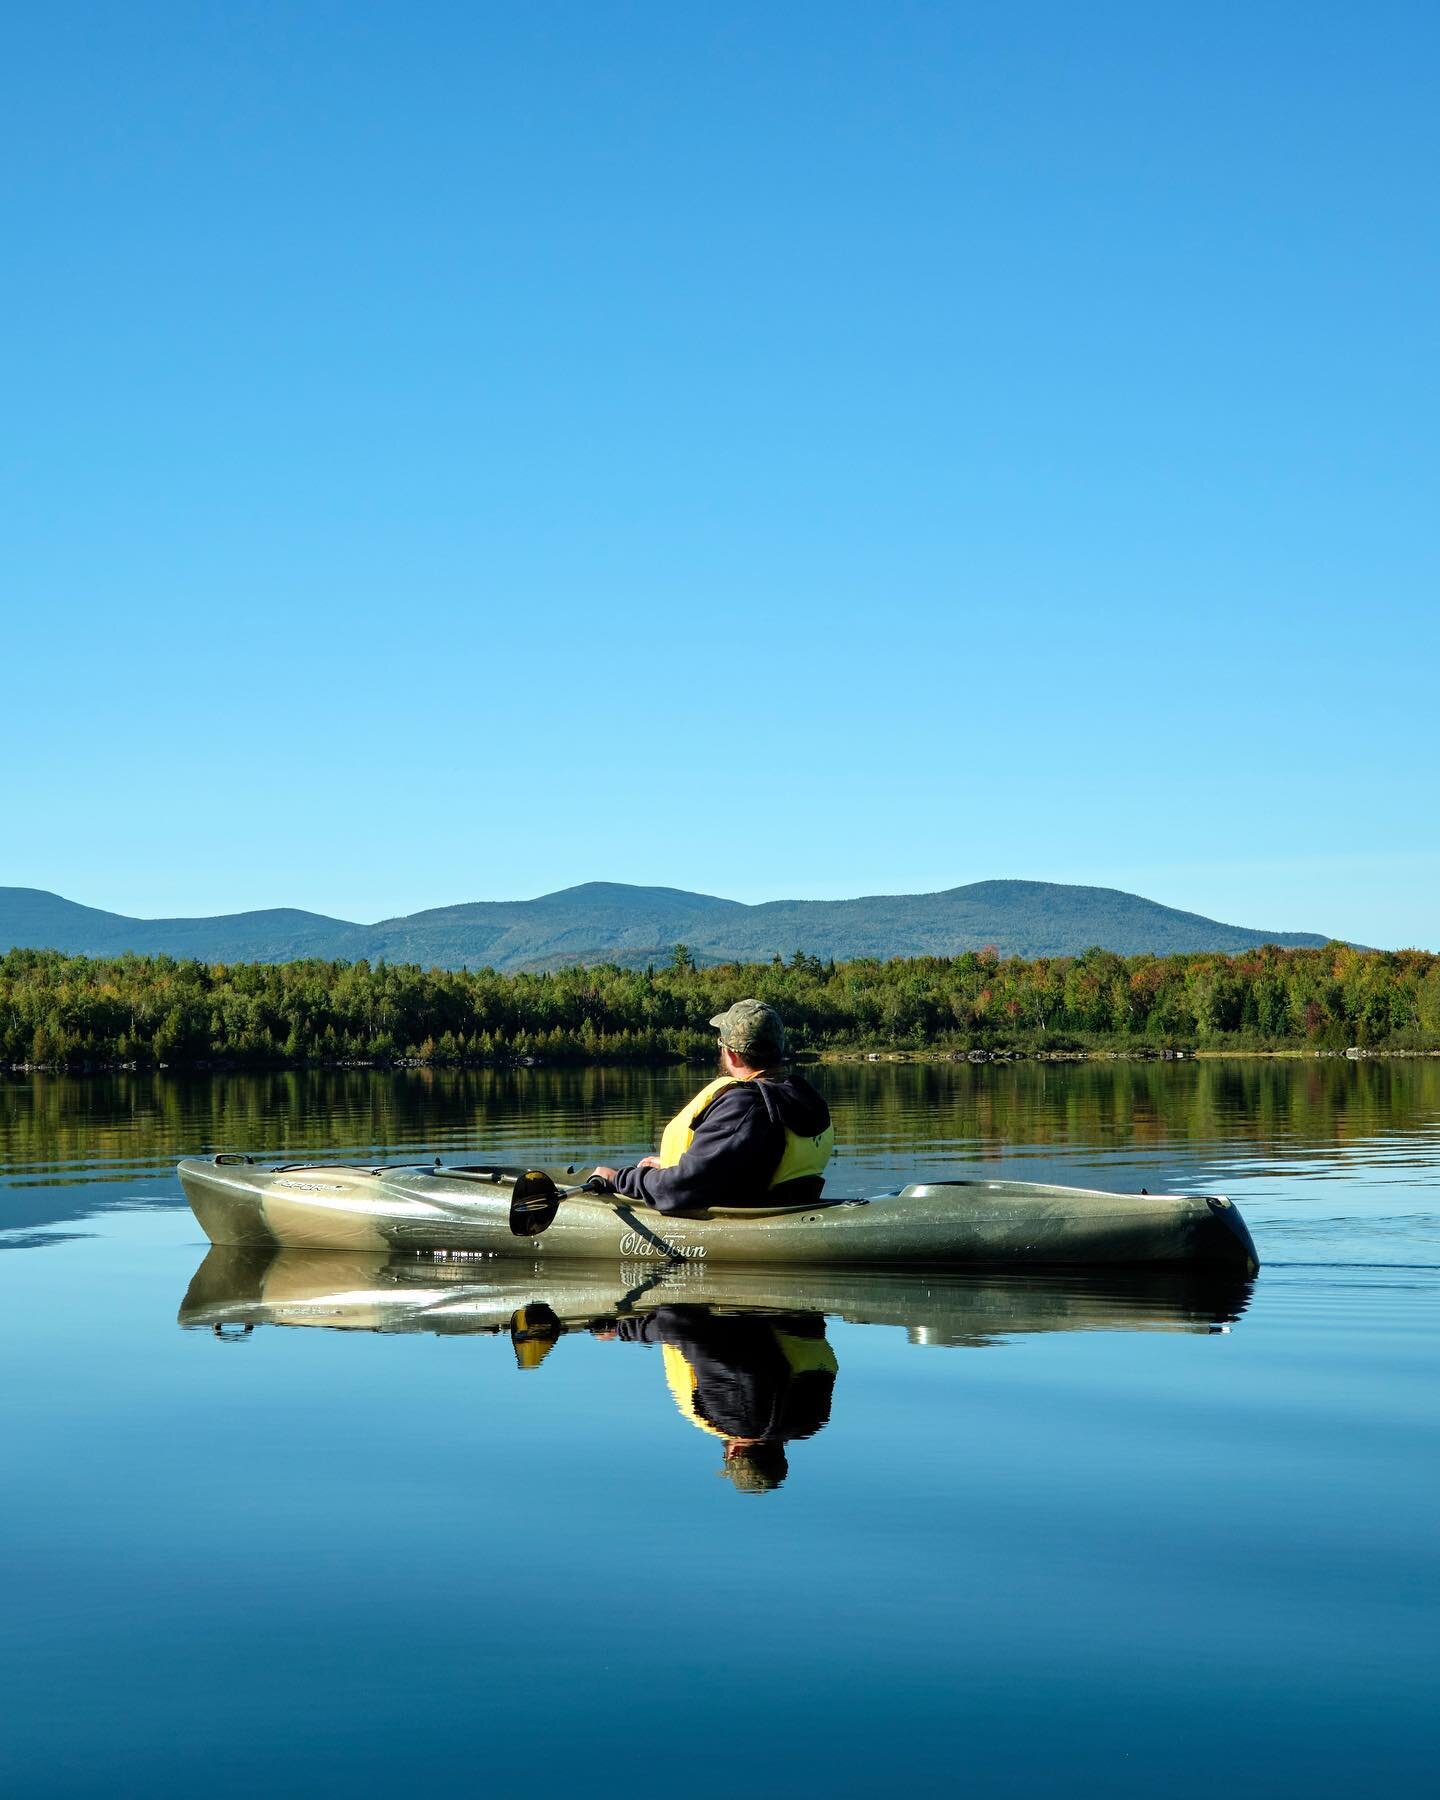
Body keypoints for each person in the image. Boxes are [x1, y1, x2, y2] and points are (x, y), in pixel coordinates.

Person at [589, 999, 834, 1215]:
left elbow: (681, 1189)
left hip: (751, 1220)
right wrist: (674, 1164)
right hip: (788, 1204)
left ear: (732, 1054)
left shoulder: (744, 1105)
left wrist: (619, 1179)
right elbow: (751, 1162)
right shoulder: (800, 1093)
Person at [596, 1304, 838, 1492]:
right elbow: (684, 1327)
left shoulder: (811, 1420)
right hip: (750, 1307)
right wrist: (622, 1329)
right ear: (732, 1454)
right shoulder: (740, 1419)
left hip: (800, 1309)